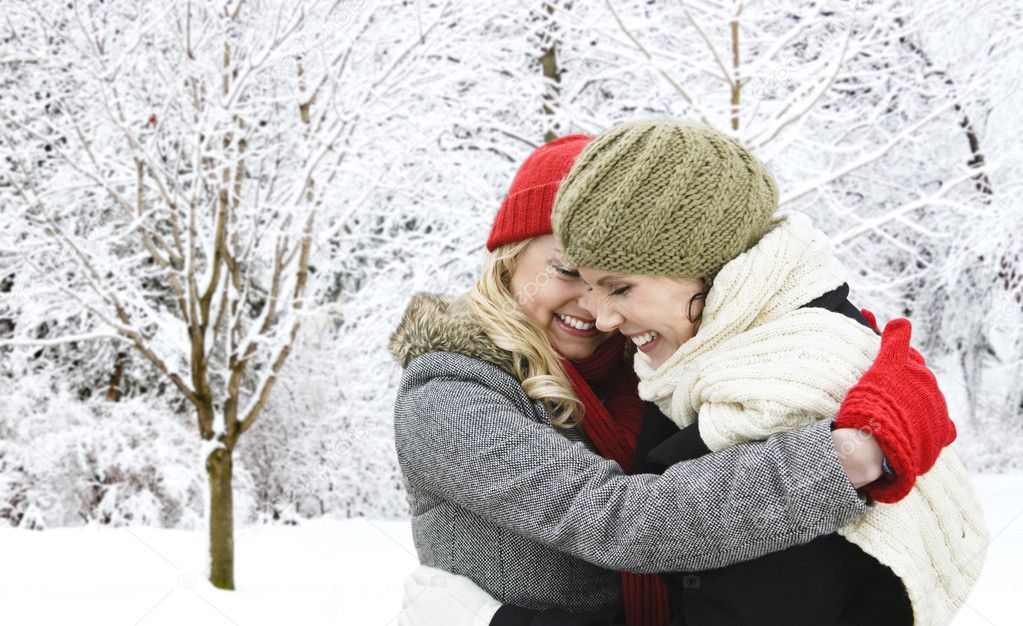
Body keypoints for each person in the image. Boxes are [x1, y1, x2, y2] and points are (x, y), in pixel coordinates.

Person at [390, 134, 958, 626]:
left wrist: (886, 371)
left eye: (613, 283)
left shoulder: (659, 371)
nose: (593, 308)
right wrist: (845, 459)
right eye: (568, 271)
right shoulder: (449, 397)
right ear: (508, 260)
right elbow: (610, 516)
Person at [547, 118, 988, 625]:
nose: (603, 318)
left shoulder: (791, 396)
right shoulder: (706, 367)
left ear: (708, 266)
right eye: (590, 288)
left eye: (620, 288)